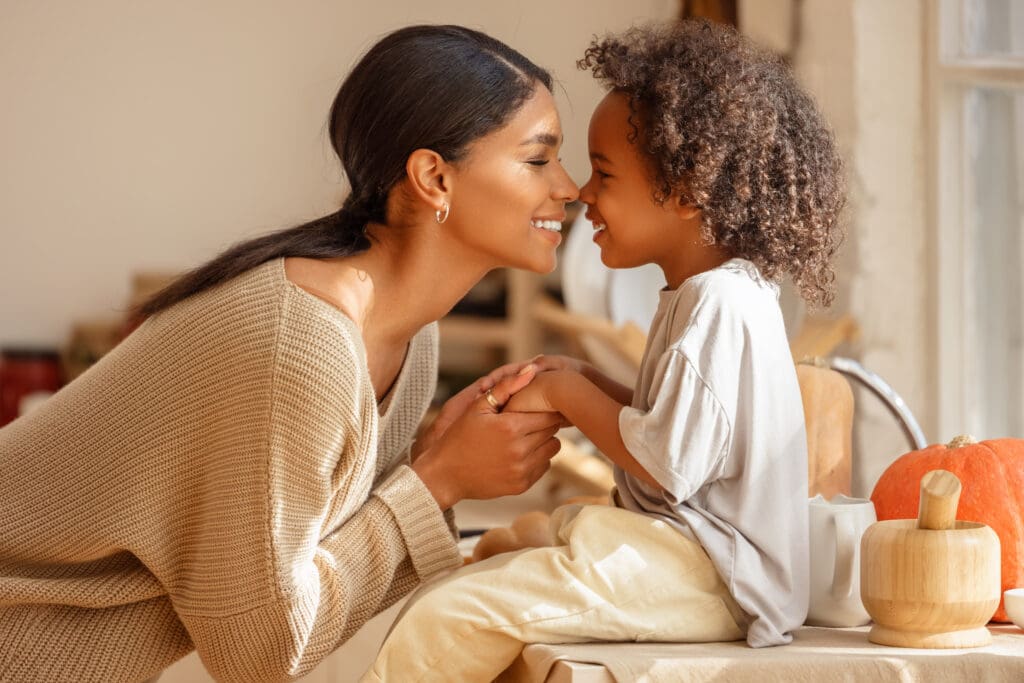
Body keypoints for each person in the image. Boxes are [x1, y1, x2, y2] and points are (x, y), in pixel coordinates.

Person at [0, 24, 578, 683]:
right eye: (538, 159)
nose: (570, 187)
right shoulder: (302, 348)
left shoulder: (411, 337)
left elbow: (323, 575)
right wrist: (438, 479)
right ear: (433, 177)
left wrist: (432, 463)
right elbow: (263, 653)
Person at [364, 19, 845, 681]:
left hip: (710, 574)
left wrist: (567, 393)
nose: (582, 193)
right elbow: (693, 441)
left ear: (683, 191)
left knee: (454, 614)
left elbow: (667, 464)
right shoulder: (716, 294)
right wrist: (584, 375)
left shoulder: (716, 304)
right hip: (695, 560)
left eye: (605, 174)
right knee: (494, 570)